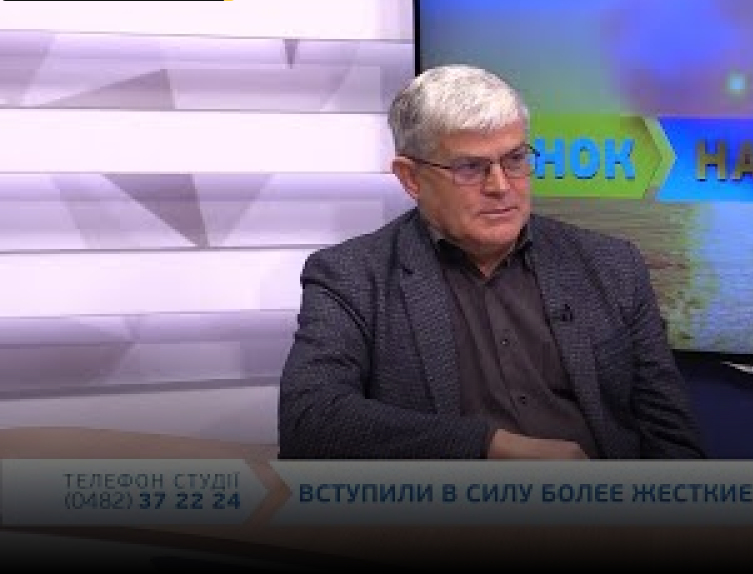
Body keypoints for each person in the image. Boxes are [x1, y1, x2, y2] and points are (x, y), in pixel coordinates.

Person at [277, 64, 706, 459]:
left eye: (515, 159)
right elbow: (309, 420)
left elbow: (672, 439)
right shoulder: (352, 277)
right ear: (411, 178)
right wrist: (488, 448)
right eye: (470, 167)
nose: (501, 186)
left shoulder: (612, 267)